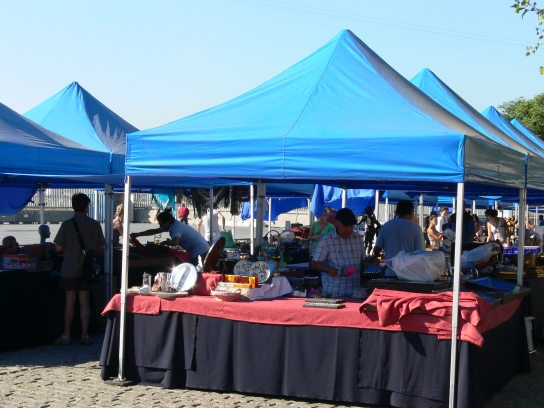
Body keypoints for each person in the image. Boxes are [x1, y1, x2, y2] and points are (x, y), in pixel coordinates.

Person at [53, 193, 105, 346]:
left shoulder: (67, 225)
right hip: (88, 270)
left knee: (70, 301)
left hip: (69, 268)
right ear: (87, 207)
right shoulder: (95, 224)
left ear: (73, 206)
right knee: (84, 302)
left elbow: (58, 248)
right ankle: (85, 335)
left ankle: (66, 335)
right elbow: (101, 247)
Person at [312, 208, 378, 297]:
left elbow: (363, 261)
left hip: (355, 291)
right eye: (346, 226)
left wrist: (372, 264)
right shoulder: (326, 240)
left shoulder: (357, 238)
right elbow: (315, 263)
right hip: (334, 292)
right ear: (336, 223)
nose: (349, 229)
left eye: (351, 226)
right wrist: (329, 269)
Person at [131, 208, 210, 266]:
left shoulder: (176, 227)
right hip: (197, 248)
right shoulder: (170, 225)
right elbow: (154, 231)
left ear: (168, 222)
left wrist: (165, 242)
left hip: (200, 249)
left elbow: (175, 242)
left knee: (194, 268)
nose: (160, 226)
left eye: (161, 224)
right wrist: (137, 234)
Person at [371, 200, 426, 277]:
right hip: (409, 275)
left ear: (396, 211)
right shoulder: (416, 228)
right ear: (411, 212)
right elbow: (421, 253)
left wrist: (373, 259)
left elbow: (376, 250)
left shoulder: (386, 226)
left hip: (390, 273)